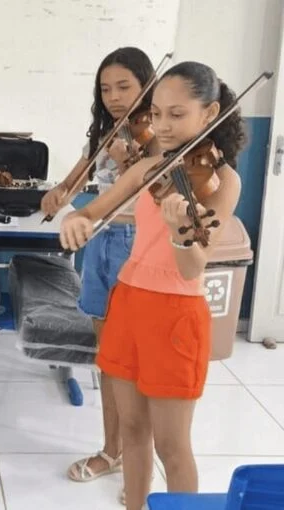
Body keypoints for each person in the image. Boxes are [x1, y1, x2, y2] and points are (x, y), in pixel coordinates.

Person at [59, 61, 246, 510]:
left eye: (177, 114)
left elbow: (192, 267)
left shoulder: (223, 181)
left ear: (210, 112)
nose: (162, 125)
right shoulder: (149, 167)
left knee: (172, 446)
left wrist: (181, 231)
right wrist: (74, 221)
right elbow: (90, 210)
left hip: (176, 315)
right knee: (132, 431)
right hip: (127, 303)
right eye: (157, 113)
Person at [41, 47, 159, 505]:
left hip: (138, 243)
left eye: (124, 87)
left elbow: (156, 188)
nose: (113, 97)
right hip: (101, 242)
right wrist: (57, 193)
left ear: (147, 85)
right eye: (106, 88)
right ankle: (112, 451)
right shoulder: (105, 132)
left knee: (138, 361)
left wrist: (130, 159)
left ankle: (141, 464)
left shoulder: (159, 134)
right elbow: (75, 180)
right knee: (109, 359)